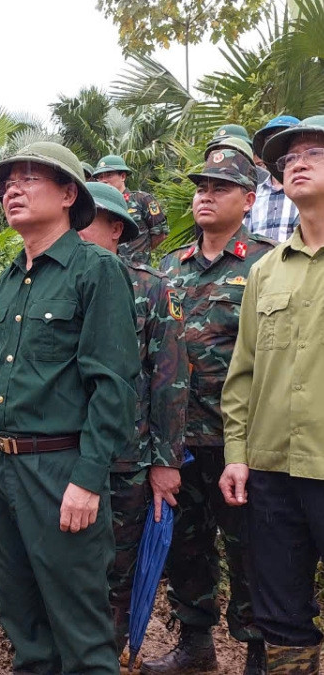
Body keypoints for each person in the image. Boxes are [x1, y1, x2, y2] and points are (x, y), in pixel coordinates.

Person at [0, 142, 140, 675]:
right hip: (1, 465)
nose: (13, 190)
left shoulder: (95, 270)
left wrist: (88, 478)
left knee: (81, 631)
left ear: (70, 194)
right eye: (7, 184)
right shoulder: (7, 279)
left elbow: (113, 386)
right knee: (22, 622)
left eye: (30, 180)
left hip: (59, 467)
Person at [144, 148, 275, 675]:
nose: (205, 194)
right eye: (202, 186)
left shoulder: (266, 264)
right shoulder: (169, 268)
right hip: (179, 442)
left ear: (248, 200)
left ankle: (259, 650)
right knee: (187, 548)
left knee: (251, 552)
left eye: (220, 187)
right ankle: (195, 643)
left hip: (240, 441)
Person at [221, 115, 324, 674]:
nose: (298, 161)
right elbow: (244, 374)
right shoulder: (266, 272)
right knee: (281, 613)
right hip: (272, 469)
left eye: (314, 152)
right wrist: (238, 454)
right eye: (288, 158)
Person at [79, 181, 189, 660]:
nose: (76, 232)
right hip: (66, 451)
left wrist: (165, 462)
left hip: (127, 456)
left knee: (117, 566)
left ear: (116, 229)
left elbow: (169, 381)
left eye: (88, 222)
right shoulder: (61, 281)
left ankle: (110, 653)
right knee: (67, 562)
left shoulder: (150, 287)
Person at [93, 154, 168, 264]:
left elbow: (160, 234)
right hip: (108, 270)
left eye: (109, 175)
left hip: (138, 273)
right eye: (100, 177)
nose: (104, 181)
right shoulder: (98, 207)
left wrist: (140, 252)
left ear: (123, 176)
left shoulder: (142, 199)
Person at [245, 116, 302, 242]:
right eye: (271, 141)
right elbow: (245, 237)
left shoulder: (308, 191)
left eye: (285, 140)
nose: (278, 147)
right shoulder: (254, 195)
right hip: (258, 260)